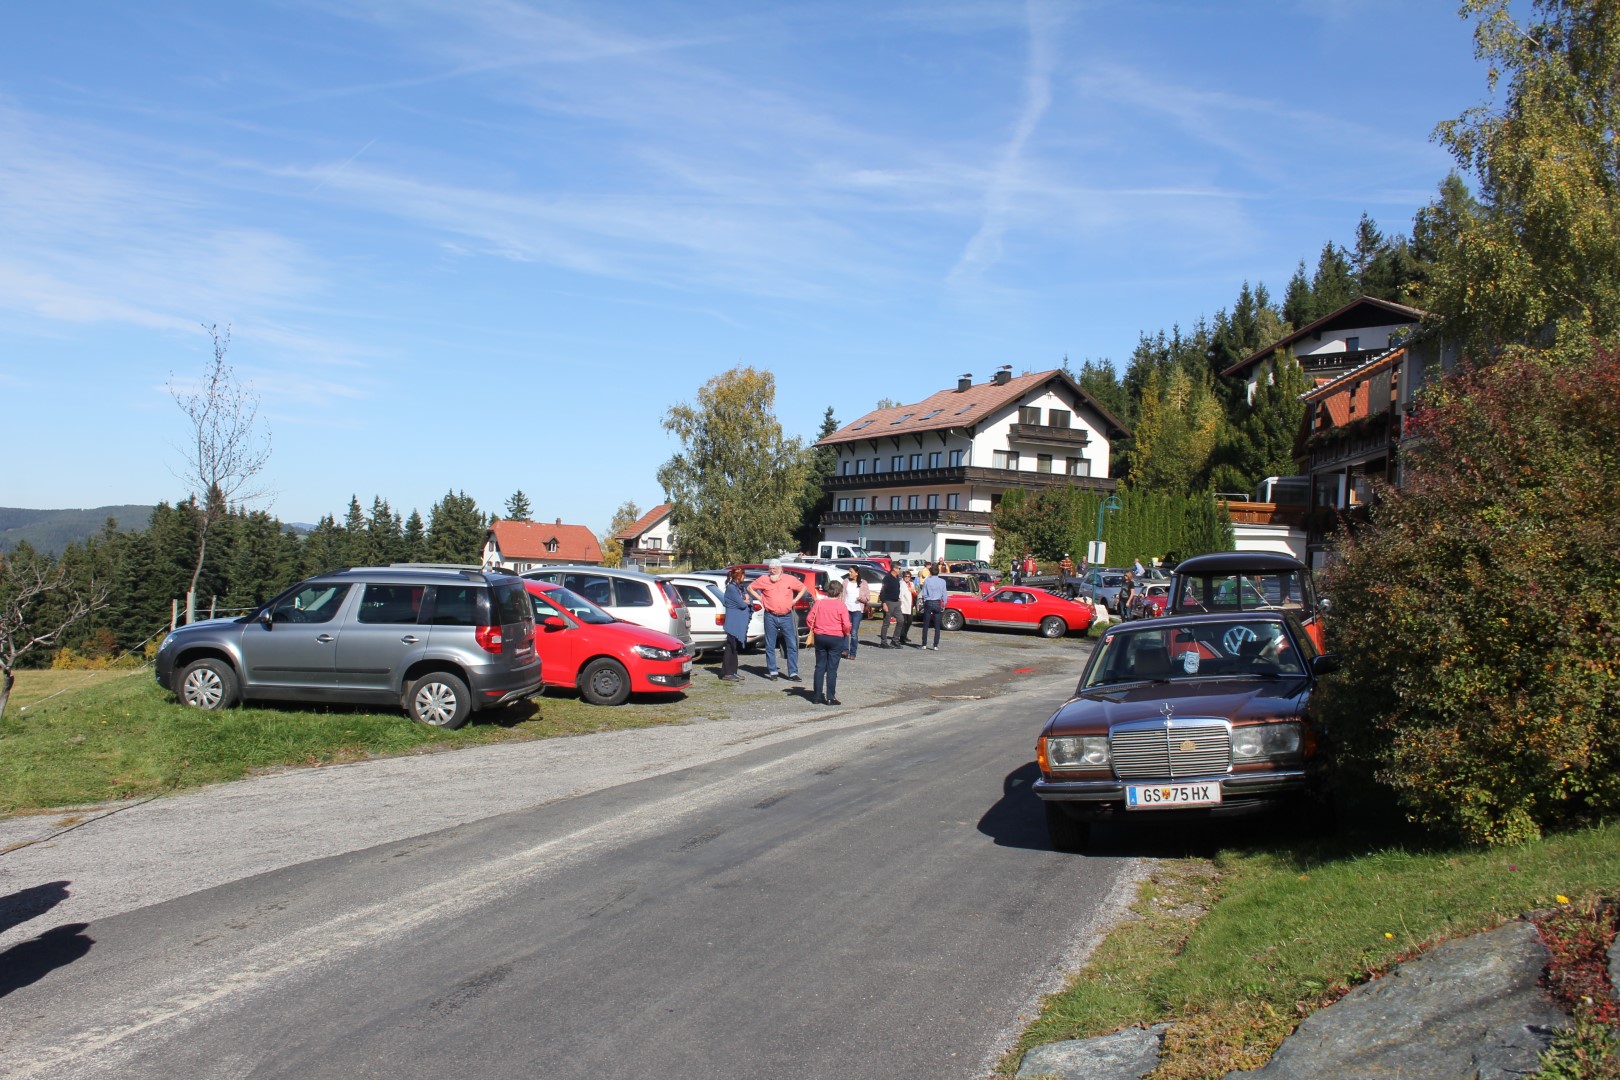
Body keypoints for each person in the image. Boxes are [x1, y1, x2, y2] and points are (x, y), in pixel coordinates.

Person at [747, 560, 807, 681]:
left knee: (792, 644)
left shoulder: (789, 579)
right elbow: (750, 588)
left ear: (780, 569)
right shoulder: (764, 579)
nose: (772, 570)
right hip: (770, 616)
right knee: (770, 645)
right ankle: (773, 671)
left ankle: (793, 672)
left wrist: (795, 601)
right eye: (770, 568)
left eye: (775, 568)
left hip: (786, 616)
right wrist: (760, 598)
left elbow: (803, 588)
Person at [807, 579, 852, 705]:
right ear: (839, 592)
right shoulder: (841, 606)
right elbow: (847, 624)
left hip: (820, 636)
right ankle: (830, 697)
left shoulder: (819, 603)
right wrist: (846, 632)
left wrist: (816, 628)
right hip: (836, 637)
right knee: (832, 668)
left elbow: (809, 619)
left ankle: (816, 696)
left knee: (820, 666)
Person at [718, 566, 751, 681]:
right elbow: (742, 604)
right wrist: (745, 601)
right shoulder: (731, 588)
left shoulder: (739, 588)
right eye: (743, 575)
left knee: (735, 647)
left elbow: (748, 600)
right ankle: (727, 672)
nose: (744, 577)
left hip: (738, 623)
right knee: (730, 647)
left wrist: (746, 600)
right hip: (732, 624)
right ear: (738, 576)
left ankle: (733, 671)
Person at [841, 566, 868, 658]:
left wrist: (861, 598)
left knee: (854, 632)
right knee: (845, 630)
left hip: (857, 610)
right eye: (849, 571)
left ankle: (853, 653)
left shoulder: (863, 583)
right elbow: (842, 595)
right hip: (846, 609)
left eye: (851, 572)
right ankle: (845, 650)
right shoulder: (845, 582)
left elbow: (867, 598)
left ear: (856, 573)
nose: (849, 573)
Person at [919, 566, 948, 649]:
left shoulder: (927, 580)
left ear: (930, 572)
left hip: (929, 601)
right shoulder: (942, 581)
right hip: (937, 602)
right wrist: (944, 604)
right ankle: (935, 645)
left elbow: (924, 593)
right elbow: (944, 594)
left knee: (926, 624)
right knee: (937, 625)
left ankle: (924, 644)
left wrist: (925, 601)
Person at [877, 563, 902, 648]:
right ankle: (883, 642)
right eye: (899, 568)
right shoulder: (887, 578)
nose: (900, 570)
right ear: (894, 569)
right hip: (888, 602)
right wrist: (884, 603)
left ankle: (895, 640)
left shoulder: (897, 578)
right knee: (886, 623)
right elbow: (882, 591)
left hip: (896, 602)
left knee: (901, 620)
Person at [896, 569, 917, 645]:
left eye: (909, 576)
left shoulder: (911, 584)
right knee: (904, 621)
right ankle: (901, 637)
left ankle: (905, 634)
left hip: (910, 604)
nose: (907, 578)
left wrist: (912, 591)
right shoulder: (902, 584)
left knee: (909, 621)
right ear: (903, 577)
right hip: (904, 605)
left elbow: (915, 594)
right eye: (906, 576)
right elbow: (901, 594)